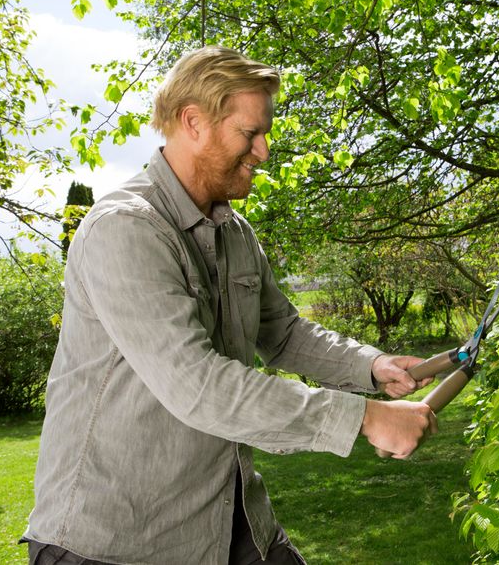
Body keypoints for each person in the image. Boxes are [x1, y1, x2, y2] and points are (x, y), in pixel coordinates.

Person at [22, 46, 437, 565]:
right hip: (115, 540)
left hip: (227, 520)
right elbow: (197, 386)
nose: (263, 150)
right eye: (250, 133)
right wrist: (362, 418)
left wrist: (372, 367)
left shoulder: (234, 231)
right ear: (193, 122)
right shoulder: (124, 229)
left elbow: (281, 333)